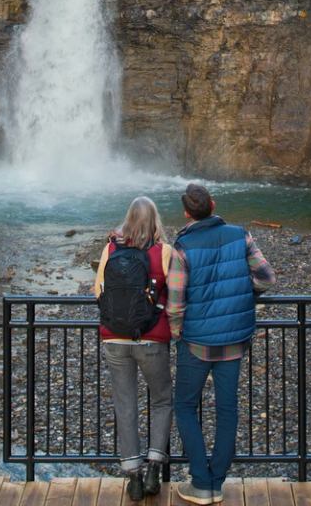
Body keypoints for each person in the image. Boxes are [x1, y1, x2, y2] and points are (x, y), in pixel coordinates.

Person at [167, 182, 275, 505]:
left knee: (185, 405)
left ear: (187, 212)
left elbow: (175, 303)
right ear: (213, 205)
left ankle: (201, 481)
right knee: (228, 410)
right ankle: (216, 480)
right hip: (233, 340)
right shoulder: (240, 234)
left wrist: (176, 333)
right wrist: (246, 292)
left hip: (196, 343)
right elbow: (267, 278)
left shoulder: (182, 247)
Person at [95, 196, 180, 500]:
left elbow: (98, 291)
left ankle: (133, 475)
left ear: (128, 219)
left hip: (114, 338)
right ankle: (155, 466)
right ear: (155, 220)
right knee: (161, 400)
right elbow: (176, 293)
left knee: (125, 404)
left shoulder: (111, 248)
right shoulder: (165, 251)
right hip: (152, 337)